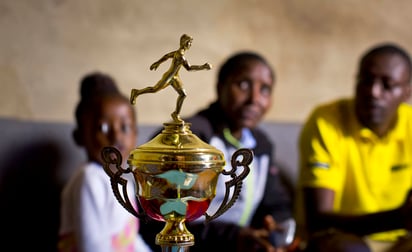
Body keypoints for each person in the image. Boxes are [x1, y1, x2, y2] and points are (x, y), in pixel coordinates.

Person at [139, 51, 297, 252]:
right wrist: (234, 237)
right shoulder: (190, 138)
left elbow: (275, 202)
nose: (254, 99)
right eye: (243, 85)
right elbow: (165, 217)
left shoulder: (260, 144)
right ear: (220, 86)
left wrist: (276, 228)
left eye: (265, 89)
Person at [298, 43, 412, 252]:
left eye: (387, 85)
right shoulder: (326, 121)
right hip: (343, 237)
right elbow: (318, 219)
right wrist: (397, 218)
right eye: (365, 80)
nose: (373, 92)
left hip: (402, 241)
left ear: (407, 92)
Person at [58, 72, 152, 252]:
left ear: (135, 134)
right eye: (103, 127)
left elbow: (130, 239)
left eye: (125, 127)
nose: (116, 136)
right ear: (79, 137)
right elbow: (93, 247)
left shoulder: (123, 180)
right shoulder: (89, 179)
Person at [129, 34, 211, 122]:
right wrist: (203, 67)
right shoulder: (180, 56)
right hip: (169, 77)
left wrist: (157, 63)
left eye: (191, 42)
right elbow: (189, 68)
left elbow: (167, 56)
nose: (190, 44)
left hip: (175, 77)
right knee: (154, 89)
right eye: (189, 42)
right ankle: (136, 92)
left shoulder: (178, 52)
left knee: (183, 94)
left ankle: (176, 114)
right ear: (184, 43)